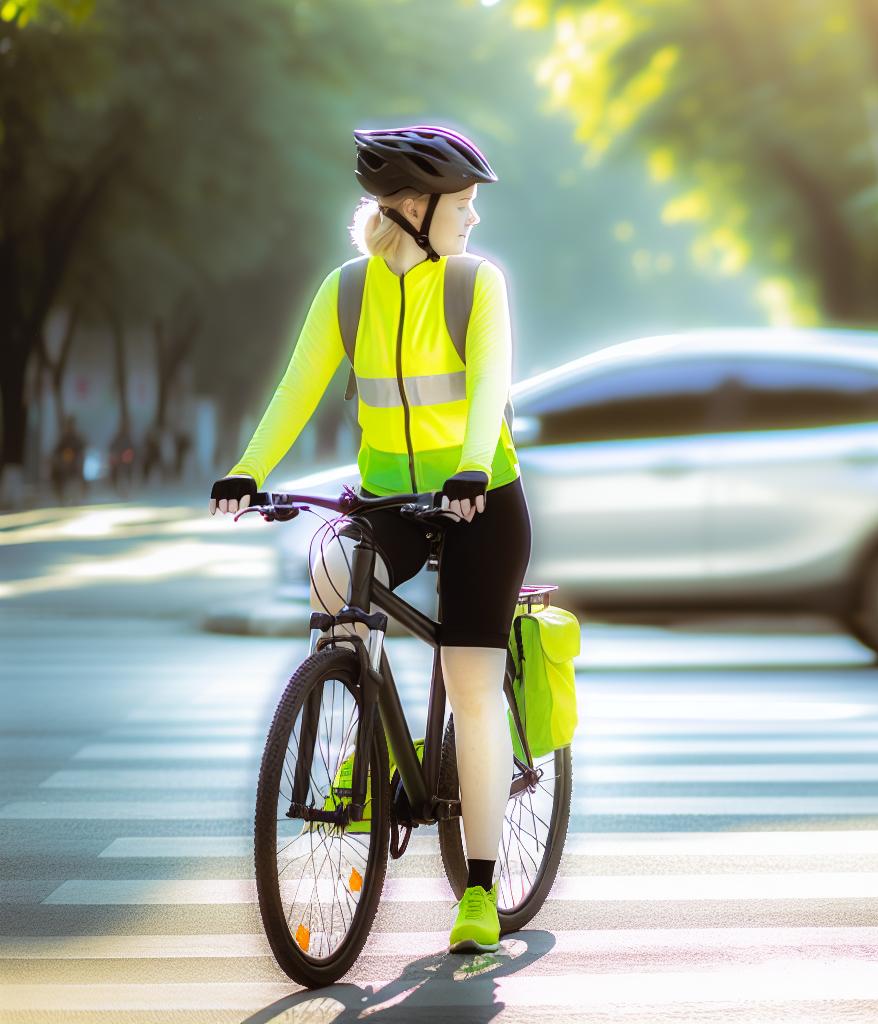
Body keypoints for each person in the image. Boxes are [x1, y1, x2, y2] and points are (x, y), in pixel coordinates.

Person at [209, 124, 530, 954]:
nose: (473, 220)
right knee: (330, 566)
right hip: (388, 496)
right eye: (463, 206)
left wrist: (466, 469)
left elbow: (492, 385)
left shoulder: (476, 286)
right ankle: (359, 702)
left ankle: (481, 892)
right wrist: (249, 467)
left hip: (479, 502)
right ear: (416, 210)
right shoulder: (346, 291)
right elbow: (296, 387)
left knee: (470, 686)